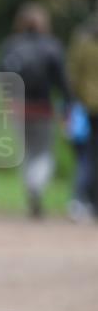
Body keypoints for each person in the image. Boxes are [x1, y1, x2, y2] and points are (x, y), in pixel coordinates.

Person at [0, 2, 70, 218]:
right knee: (44, 152)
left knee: (27, 151)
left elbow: (0, 76)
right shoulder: (52, 46)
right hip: (43, 108)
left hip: (18, 107)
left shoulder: (11, 45)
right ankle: (37, 184)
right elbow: (62, 82)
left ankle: (31, 184)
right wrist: (68, 107)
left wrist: (5, 100)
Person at [67, 11, 98, 219]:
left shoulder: (83, 43)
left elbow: (73, 75)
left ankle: (80, 200)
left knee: (86, 155)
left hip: (88, 104)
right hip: (88, 105)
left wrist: (72, 101)